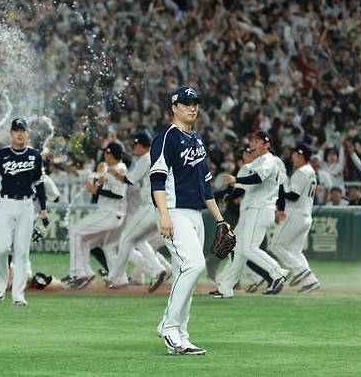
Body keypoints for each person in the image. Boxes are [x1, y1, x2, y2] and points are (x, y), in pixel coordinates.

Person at [150, 86, 227, 356]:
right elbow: (157, 179)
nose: (192, 108)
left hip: (196, 215)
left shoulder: (196, 140)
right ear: (174, 107)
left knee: (187, 274)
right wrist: (164, 214)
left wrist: (220, 221)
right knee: (193, 265)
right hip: (175, 211)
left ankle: (181, 336)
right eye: (186, 103)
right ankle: (169, 327)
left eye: (195, 104)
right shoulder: (166, 138)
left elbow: (206, 186)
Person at [212, 130, 289, 298]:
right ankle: (225, 288)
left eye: (257, 141)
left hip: (260, 209)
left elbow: (258, 179)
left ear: (266, 144)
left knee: (249, 248)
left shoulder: (268, 160)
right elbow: (242, 189)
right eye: (252, 140)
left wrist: (236, 180)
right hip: (252, 210)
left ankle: (278, 272)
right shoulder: (258, 162)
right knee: (238, 249)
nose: (253, 144)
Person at [0, 118, 47, 306]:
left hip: (26, 205)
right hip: (5, 204)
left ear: (27, 133)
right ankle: (1, 284)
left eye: (22, 130)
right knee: (2, 248)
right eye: (16, 130)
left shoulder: (35, 156)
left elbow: (40, 184)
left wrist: (43, 209)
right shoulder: (2, 155)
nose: (19, 133)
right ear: (11, 133)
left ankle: (18, 295)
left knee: (21, 252)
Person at [107, 133, 167, 292]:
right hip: (163, 208)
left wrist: (115, 174)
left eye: (135, 146)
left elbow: (130, 180)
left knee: (126, 237)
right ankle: (157, 269)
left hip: (150, 206)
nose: (134, 149)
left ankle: (116, 277)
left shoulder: (146, 158)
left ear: (140, 145)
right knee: (138, 239)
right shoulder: (158, 157)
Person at [63, 142, 128, 289]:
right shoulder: (111, 169)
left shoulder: (120, 168)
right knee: (86, 242)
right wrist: (98, 176)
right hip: (109, 213)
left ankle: (77, 273)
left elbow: (118, 194)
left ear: (110, 154)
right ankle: (114, 277)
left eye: (106, 153)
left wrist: (96, 189)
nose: (104, 156)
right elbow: (94, 183)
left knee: (75, 231)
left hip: (110, 213)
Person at [270, 143, 321, 293]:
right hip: (306, 216)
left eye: (294, 154)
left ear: (300, 155)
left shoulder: (302, 172)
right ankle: (311, 281)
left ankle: (300, 270)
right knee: (295, 251)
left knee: (276, 245)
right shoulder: (311, 171)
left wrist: (281, 184)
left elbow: (293, 196)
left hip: (295, 215)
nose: (292, 157)